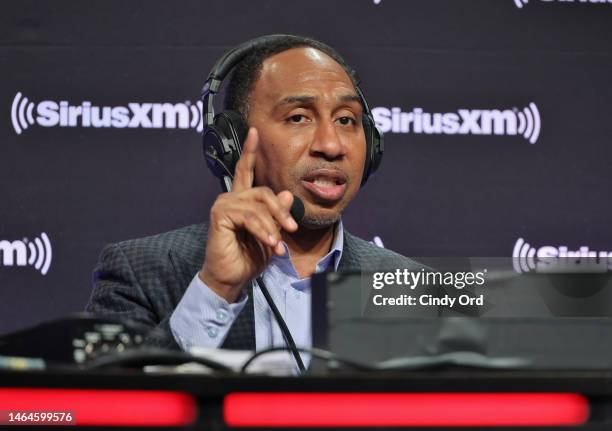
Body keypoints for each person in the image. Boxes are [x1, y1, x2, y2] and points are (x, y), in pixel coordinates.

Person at [86, 34, 422, 352]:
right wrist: (215, 290)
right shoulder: (142, 272)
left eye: (346, 120)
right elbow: (107, 407)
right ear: (230, 143)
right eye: (298, 117)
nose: (331, 145)